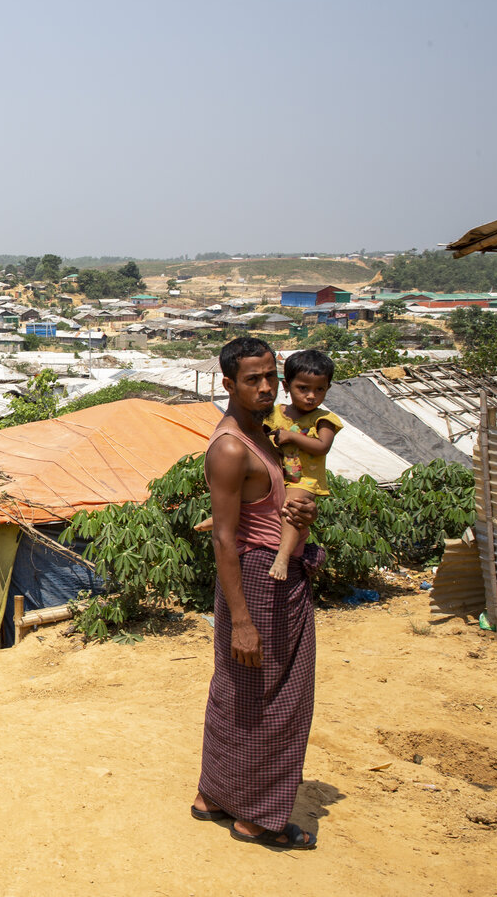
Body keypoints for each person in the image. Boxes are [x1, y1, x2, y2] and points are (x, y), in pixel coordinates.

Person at [192, 336, 320, 850]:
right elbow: (225, 538)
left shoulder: (267, 431)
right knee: (281, 697)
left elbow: (264, 506)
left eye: (272, 375)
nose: (267, 387)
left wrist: (300, 512)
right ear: (228, 383)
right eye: (253, 379)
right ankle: (258, 817)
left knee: (239, 691)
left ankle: (216, 796)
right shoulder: (230, 447)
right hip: (260, 584)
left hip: (263, 576)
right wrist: (241, 620)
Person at [264, 349, 342, 582]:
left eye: (319, 389)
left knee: (292, 510)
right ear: (286, 386)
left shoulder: (323, 419)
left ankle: (283, 556)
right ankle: (219, 519)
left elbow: (322, 447)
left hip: (304, 480)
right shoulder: (275, 414)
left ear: (328, 388)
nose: (311, 396)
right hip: (277, 472)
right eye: (303, 388)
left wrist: (291, 437)